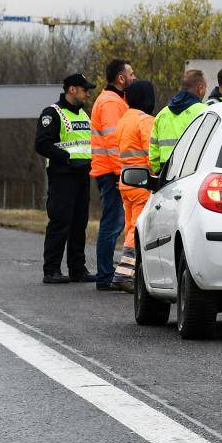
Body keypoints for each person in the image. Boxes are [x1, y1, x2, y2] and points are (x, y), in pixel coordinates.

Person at [35, 73, 94, 284]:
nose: (88, 93)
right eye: (84, 89)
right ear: (72, 89)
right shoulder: (53, 113)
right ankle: (51, 270)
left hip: (82, 175)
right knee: (61, 221)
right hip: (62, 175)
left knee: (80, 222)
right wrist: (67, 159)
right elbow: (42, 144)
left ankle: (77, 269)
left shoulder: (83, 115)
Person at [88, 58, 134, 291]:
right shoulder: (111, 103)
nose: (133, 78)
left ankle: (106, 273)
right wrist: (122, 172)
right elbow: (113, 142)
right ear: (120, 78)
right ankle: (105, 275)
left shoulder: (114, 100)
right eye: (131, 74)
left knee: (113, 223)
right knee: (111, 224)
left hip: (109, 170)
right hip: (112, 171)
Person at [111, 79, 156, 292]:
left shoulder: (124, 119)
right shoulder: (145, 120)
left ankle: (129, 271)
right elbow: (152, 153)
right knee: (136, 230)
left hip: (125, 180)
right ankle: (124, 274)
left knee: (130, 226)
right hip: (142, 182)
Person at [149, 69, 209, 176]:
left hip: (165, 175)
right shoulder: (205, 112)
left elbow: (154, 152)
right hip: (192, 172)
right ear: (200, 88)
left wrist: (159, 172)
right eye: (205, 88)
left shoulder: (162, 114)